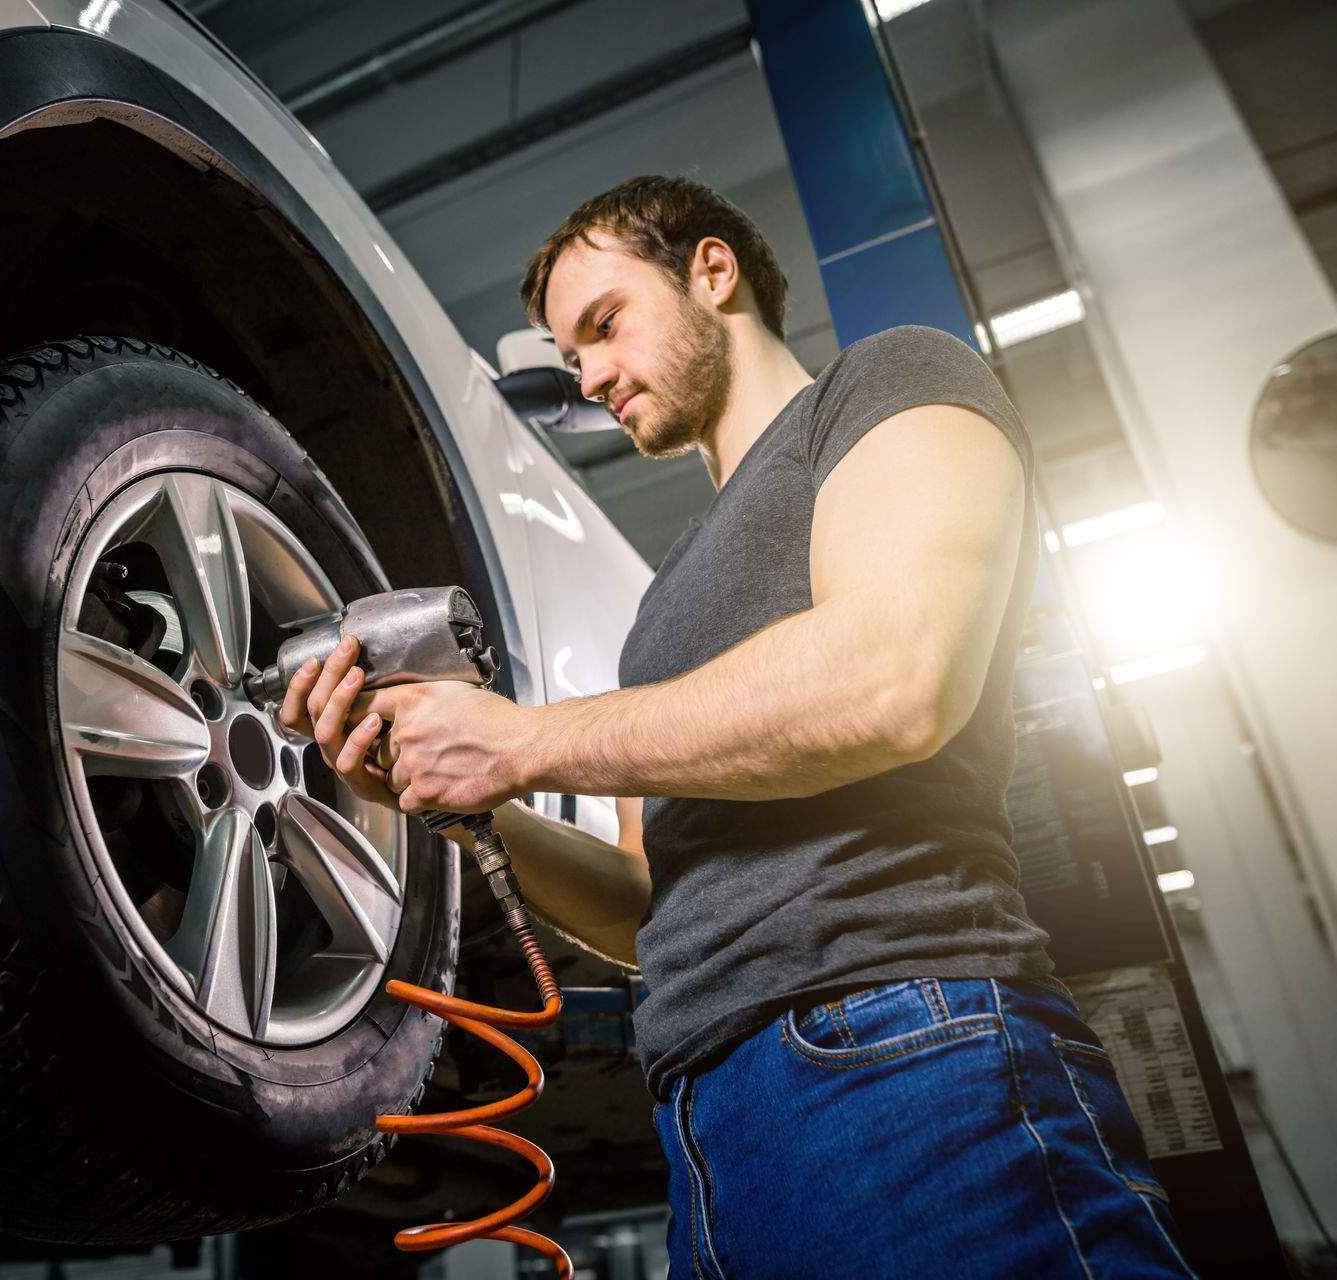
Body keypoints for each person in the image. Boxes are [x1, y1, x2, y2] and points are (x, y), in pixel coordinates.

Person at [280, 176, 1194, 1277]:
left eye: (604, 327)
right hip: (708, 1125)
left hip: (899, 1046)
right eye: (573, 361)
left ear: (713, 272)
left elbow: (894, 675)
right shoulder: (658, 610)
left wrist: (524, 738)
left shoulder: (889, 383)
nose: (594, 377)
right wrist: (470, 800)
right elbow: (641, 906)